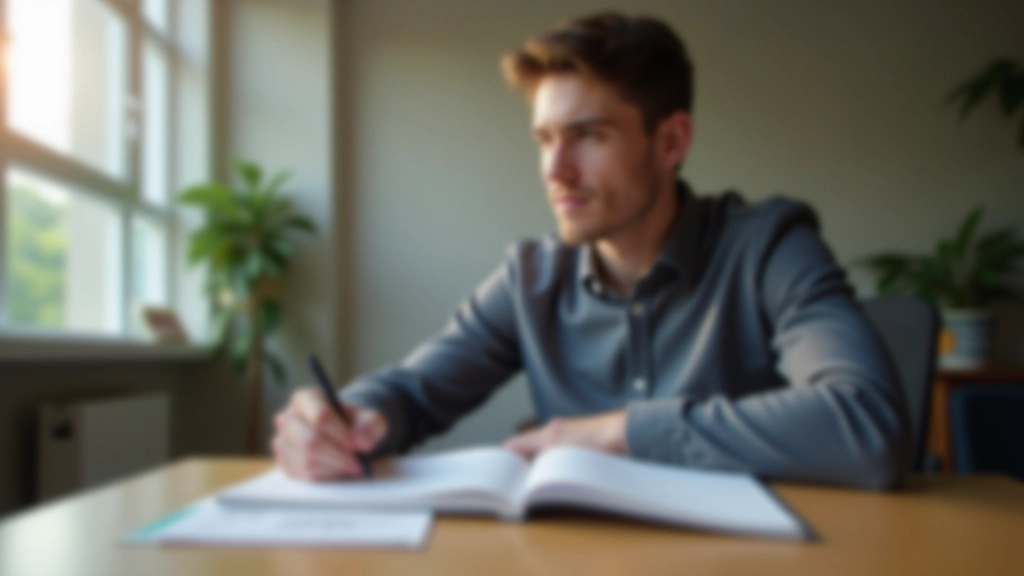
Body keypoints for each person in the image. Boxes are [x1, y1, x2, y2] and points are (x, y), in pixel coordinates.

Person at [271, 12, 909, 490]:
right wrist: (349, 417)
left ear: (671, 140)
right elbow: (412, 391)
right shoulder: (532, 278)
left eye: (588, 136)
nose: (556, 169)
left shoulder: (769, 246)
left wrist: (610, 432)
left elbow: (867, 425)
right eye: (544, 138)